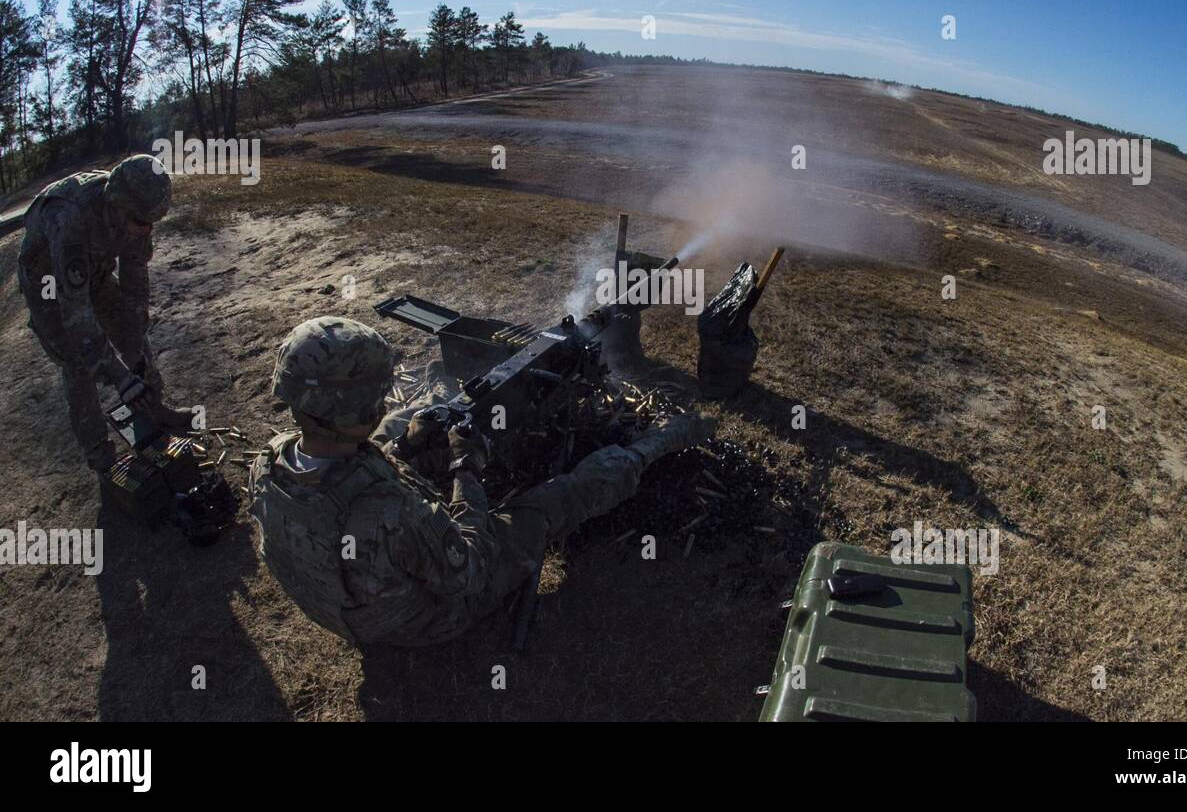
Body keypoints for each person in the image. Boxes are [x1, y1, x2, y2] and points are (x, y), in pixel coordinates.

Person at [249, 315, 713, 646]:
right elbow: (468, 568)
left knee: (405, 422)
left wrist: (405, 448)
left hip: (344, 605)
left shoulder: (270, 460)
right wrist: (465, 468)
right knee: (549, 503)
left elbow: (343, 480)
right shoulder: (391, 514)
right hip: (421, 622)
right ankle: (656, 444)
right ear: (360, 404)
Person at [17, 155, 190, 490]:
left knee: (133, 332)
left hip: (93, 272)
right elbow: (76, 316)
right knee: (77, 361)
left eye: (153, 222)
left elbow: (135, 282)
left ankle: (152, 413)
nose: (146, 229)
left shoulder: (138, 214)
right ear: (116, 203)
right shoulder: (71, 220)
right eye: (141, 221)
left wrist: (136, 345)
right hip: (48, 284)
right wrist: (121, 377)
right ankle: (100, 453)